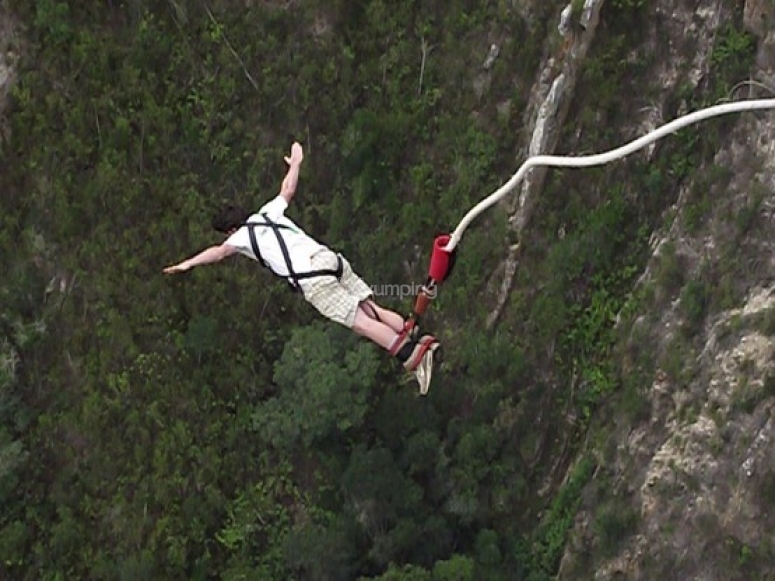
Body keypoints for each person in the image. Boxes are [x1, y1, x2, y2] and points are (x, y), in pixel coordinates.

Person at [163, 141, 439, 379]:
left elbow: (218, 252)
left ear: (230, 230)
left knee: (362, 323)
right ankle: (415, 337)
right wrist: (296, 162)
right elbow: (288, 189)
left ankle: (411, 357)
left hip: (312, 278)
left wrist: (189, 263)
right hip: (330, 259)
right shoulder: (268, 213)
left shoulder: (240, 238)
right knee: (371, 309)